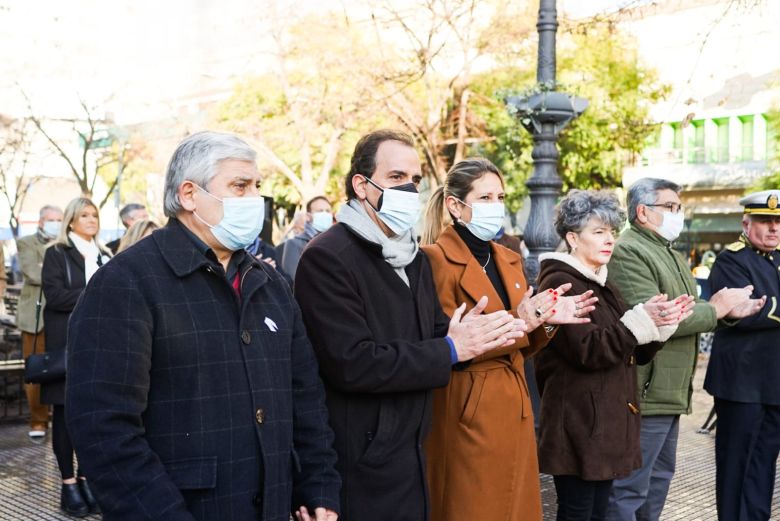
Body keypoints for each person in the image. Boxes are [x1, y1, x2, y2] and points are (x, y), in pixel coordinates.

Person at [66, 131, 340, 521]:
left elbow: (305, 400)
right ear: (189, 195)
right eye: (239, 186)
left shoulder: (271, 284)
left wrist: (319, 489)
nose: (254, 200)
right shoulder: (126, 282)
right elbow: (103, 428)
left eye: (256, 186)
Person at [294, 130, 525, 521]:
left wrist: (473, 337)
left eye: (415, 180)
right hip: (364, 461)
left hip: (414, 449)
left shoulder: (412, 256)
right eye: (397, 177)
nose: (410, 188)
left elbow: (437, 334)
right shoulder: (328, 257)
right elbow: (352, 362)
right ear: (361, 186)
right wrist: (451, 349)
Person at [420, 159, 599, 521]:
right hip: (467, 407)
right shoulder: (434, 260)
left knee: (516, 507)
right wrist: (525, 319)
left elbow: (525, 344)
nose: (496, 205)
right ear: (456, 206)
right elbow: (449, 342)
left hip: (514, 404)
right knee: (474, 506)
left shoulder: (508, 258)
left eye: (500, 196)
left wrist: (548, 322)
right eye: (484, 197)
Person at [605, 178, 764, 521]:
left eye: (679, 207)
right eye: (671, 207)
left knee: (657, 483)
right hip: (644, 391)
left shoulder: (666, 252)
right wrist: (717, 308)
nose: (678, 214)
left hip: (668, 390)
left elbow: (689, 312)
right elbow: (657, 316)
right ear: (643, 212)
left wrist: (726, 314)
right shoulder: (630, 250)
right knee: (630, 490)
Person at [536, 189, 694, 521]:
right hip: (578, 425)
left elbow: (632, 349)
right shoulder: (561, 283)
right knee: (579, 512)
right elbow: (589, 350)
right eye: (598, 232)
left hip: (602, 425)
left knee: (597, 511)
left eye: (611, 231)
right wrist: (638, 322)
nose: (609, 240)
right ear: (572, 238)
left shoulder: (603, 285)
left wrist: (660, 323)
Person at [704, 189, 779, 521]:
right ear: (746, 223)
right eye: (765, 221)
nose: (774, 228)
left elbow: (766, 308)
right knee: (736, 470)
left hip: (774, 386)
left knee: (763, 469)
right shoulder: (730, 259)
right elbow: (741, 313)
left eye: (778, 222)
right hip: (740, 386)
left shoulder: (777, 260)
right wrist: (762, 310)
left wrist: (767, 308)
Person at [41, 197, 111, 517]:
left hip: (100, 344)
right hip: (66, 344)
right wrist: (95, 290)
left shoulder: (106, 254)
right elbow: (54, 296)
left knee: (92, 415)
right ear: (70, 221)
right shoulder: (56, 254)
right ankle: (68, 484)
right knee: (65, 415)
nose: (91, 220)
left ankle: (86, 478)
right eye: (84, 215)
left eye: (94, 215)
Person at [16, 204, 63, 440]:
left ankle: (59, 417)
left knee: (62, 367)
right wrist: (57, 272)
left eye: (60, 219)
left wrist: (48, 269)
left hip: (62, 314)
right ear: (41, 221)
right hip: (35, 317)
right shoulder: (26, 242)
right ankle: (38, 420)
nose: (56, 223)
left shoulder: (66, 242)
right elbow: (33, 273)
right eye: (51, 219)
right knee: (36, 368)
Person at [280, 196, 333, 280]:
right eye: (320, 211)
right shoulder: (295, 244)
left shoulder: (336, 241)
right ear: (308, 216)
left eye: (327, 211)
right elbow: (292, 279)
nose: (325, 214)